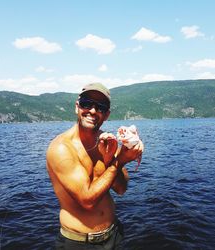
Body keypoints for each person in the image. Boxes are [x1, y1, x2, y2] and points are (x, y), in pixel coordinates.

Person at [46, 83, 144, 249]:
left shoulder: (107, 141)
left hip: (114, 235)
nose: (92, 111)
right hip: (79, 243)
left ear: (106, 115)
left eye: (100, 107)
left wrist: (109, 160)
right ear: (77, 106)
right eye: (86, 103)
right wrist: (119, 161)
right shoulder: (62, 148)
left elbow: (121, 188)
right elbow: (87, 201)